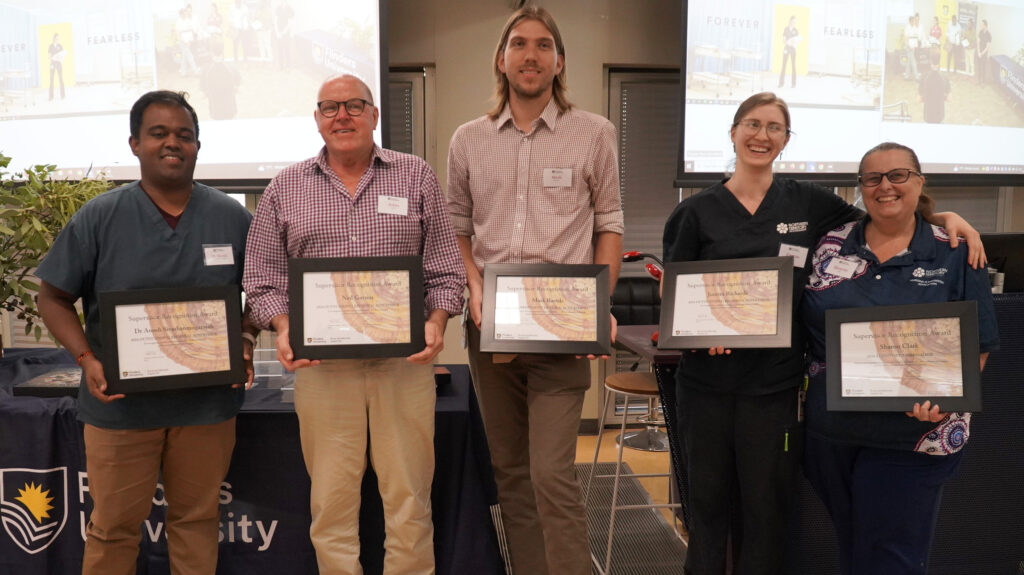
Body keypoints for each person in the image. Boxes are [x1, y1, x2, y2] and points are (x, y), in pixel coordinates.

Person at [661, 92, 983, 575]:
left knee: (766, 510)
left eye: (774, 127)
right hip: (706, 385)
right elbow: (674, 293)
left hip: (774, 388)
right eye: (752, 124)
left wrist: (941, 217)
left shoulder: (808, 201)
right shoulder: (694, 212)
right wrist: (697, 331)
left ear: (786, 140)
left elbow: (883, 214)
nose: (762, 135)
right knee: (705, 506)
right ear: (733, 132)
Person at [242, 74, 465, 574]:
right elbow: (260, 277)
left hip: (404, 366)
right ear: (317, 119)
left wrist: (436, 320)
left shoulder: (416, 176)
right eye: (330, 107)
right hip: (323, 370)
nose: (342, 115)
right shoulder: (285, 186)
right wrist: (283, 326)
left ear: (374, 115)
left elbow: (446, 270)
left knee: (409, 499)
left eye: (354, 105)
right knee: (331, 504)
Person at [35, 90, 256, 575]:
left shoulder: (232, 217)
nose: (172, 143)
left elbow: (263, 291)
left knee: (197, 522)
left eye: (184, 135)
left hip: (205, 408)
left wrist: (245, 339)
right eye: (158, 133)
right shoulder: (99, 217)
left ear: (198, 146)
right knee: (113, 529)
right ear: (135, 143)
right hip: (120, 409)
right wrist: (86, 359)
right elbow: (51, 298)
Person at [446, 7, 623, 575]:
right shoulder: (468, 139)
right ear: (501, 59)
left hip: (562, 329)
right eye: (519, 44)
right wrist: (474, 285)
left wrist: (599, 304)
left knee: (551, 473)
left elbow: (609, 225)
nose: (531, 55)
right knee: (511, 473)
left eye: (543, 45)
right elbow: (457, 227)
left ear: (559, 61)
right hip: (490, 329)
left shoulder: (594, 133)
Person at [800, 142, 999, 574]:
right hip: (832, 433)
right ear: (860, 187)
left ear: (920, 181)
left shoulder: (956, 248)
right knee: (855, 549)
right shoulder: (830, 246)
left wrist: (945, 397)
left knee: (892, 559)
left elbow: (979, 344)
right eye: (873, 178)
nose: (885, 186)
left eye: (898, 175)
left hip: (913, 434)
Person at [779, 16, 799, 88]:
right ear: (790, 21)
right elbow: (783, 39)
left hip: (793, 49)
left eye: (795, 22)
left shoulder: (796, 30)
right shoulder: (786, 29)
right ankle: (781, 83)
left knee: (793, 66)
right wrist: (787, 42)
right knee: (784, 65)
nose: (793, 23)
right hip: (787, 48)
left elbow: (797, 40)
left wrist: (794, 43)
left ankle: (793, 83)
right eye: (793, 21)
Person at [48, 33, 65, 101]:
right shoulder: (50, 46)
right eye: (56, 38)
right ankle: (51, 96)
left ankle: (63, 95)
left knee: (61, 79)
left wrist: (60, 58)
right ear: (54, 38)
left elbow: (62, 55)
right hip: (52, 64)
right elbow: (49, 56)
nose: (57, 40)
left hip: (59, 64)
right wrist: (52, 57)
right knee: (51, 80)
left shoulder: (60, 46)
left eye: (58, 39)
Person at [903, 16, 921, 81]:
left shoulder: (914, 28)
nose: (914, 22)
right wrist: (909, 46)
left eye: (914, 21)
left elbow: (915, 37)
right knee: (913, 61)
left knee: (909, 61)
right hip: (908, 47)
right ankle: (916, 77)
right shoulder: (907, 28)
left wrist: (914, 45)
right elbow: (905, 39)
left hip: (913, 47)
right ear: (910, 21)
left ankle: (906, 76)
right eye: (913, 21)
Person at [977, 19, 991, 85]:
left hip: (984, 54)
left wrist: (982, 53)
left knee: (983, 68)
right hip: (979, 52)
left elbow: (987, 47)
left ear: (985, 25)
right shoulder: (980, 32)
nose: (981, 26)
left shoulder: (988, 35)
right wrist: (978, 51)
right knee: (979, 67)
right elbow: (978, 42)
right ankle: (979, 81)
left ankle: (983, 82)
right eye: (980, 24)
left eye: (982, 25)